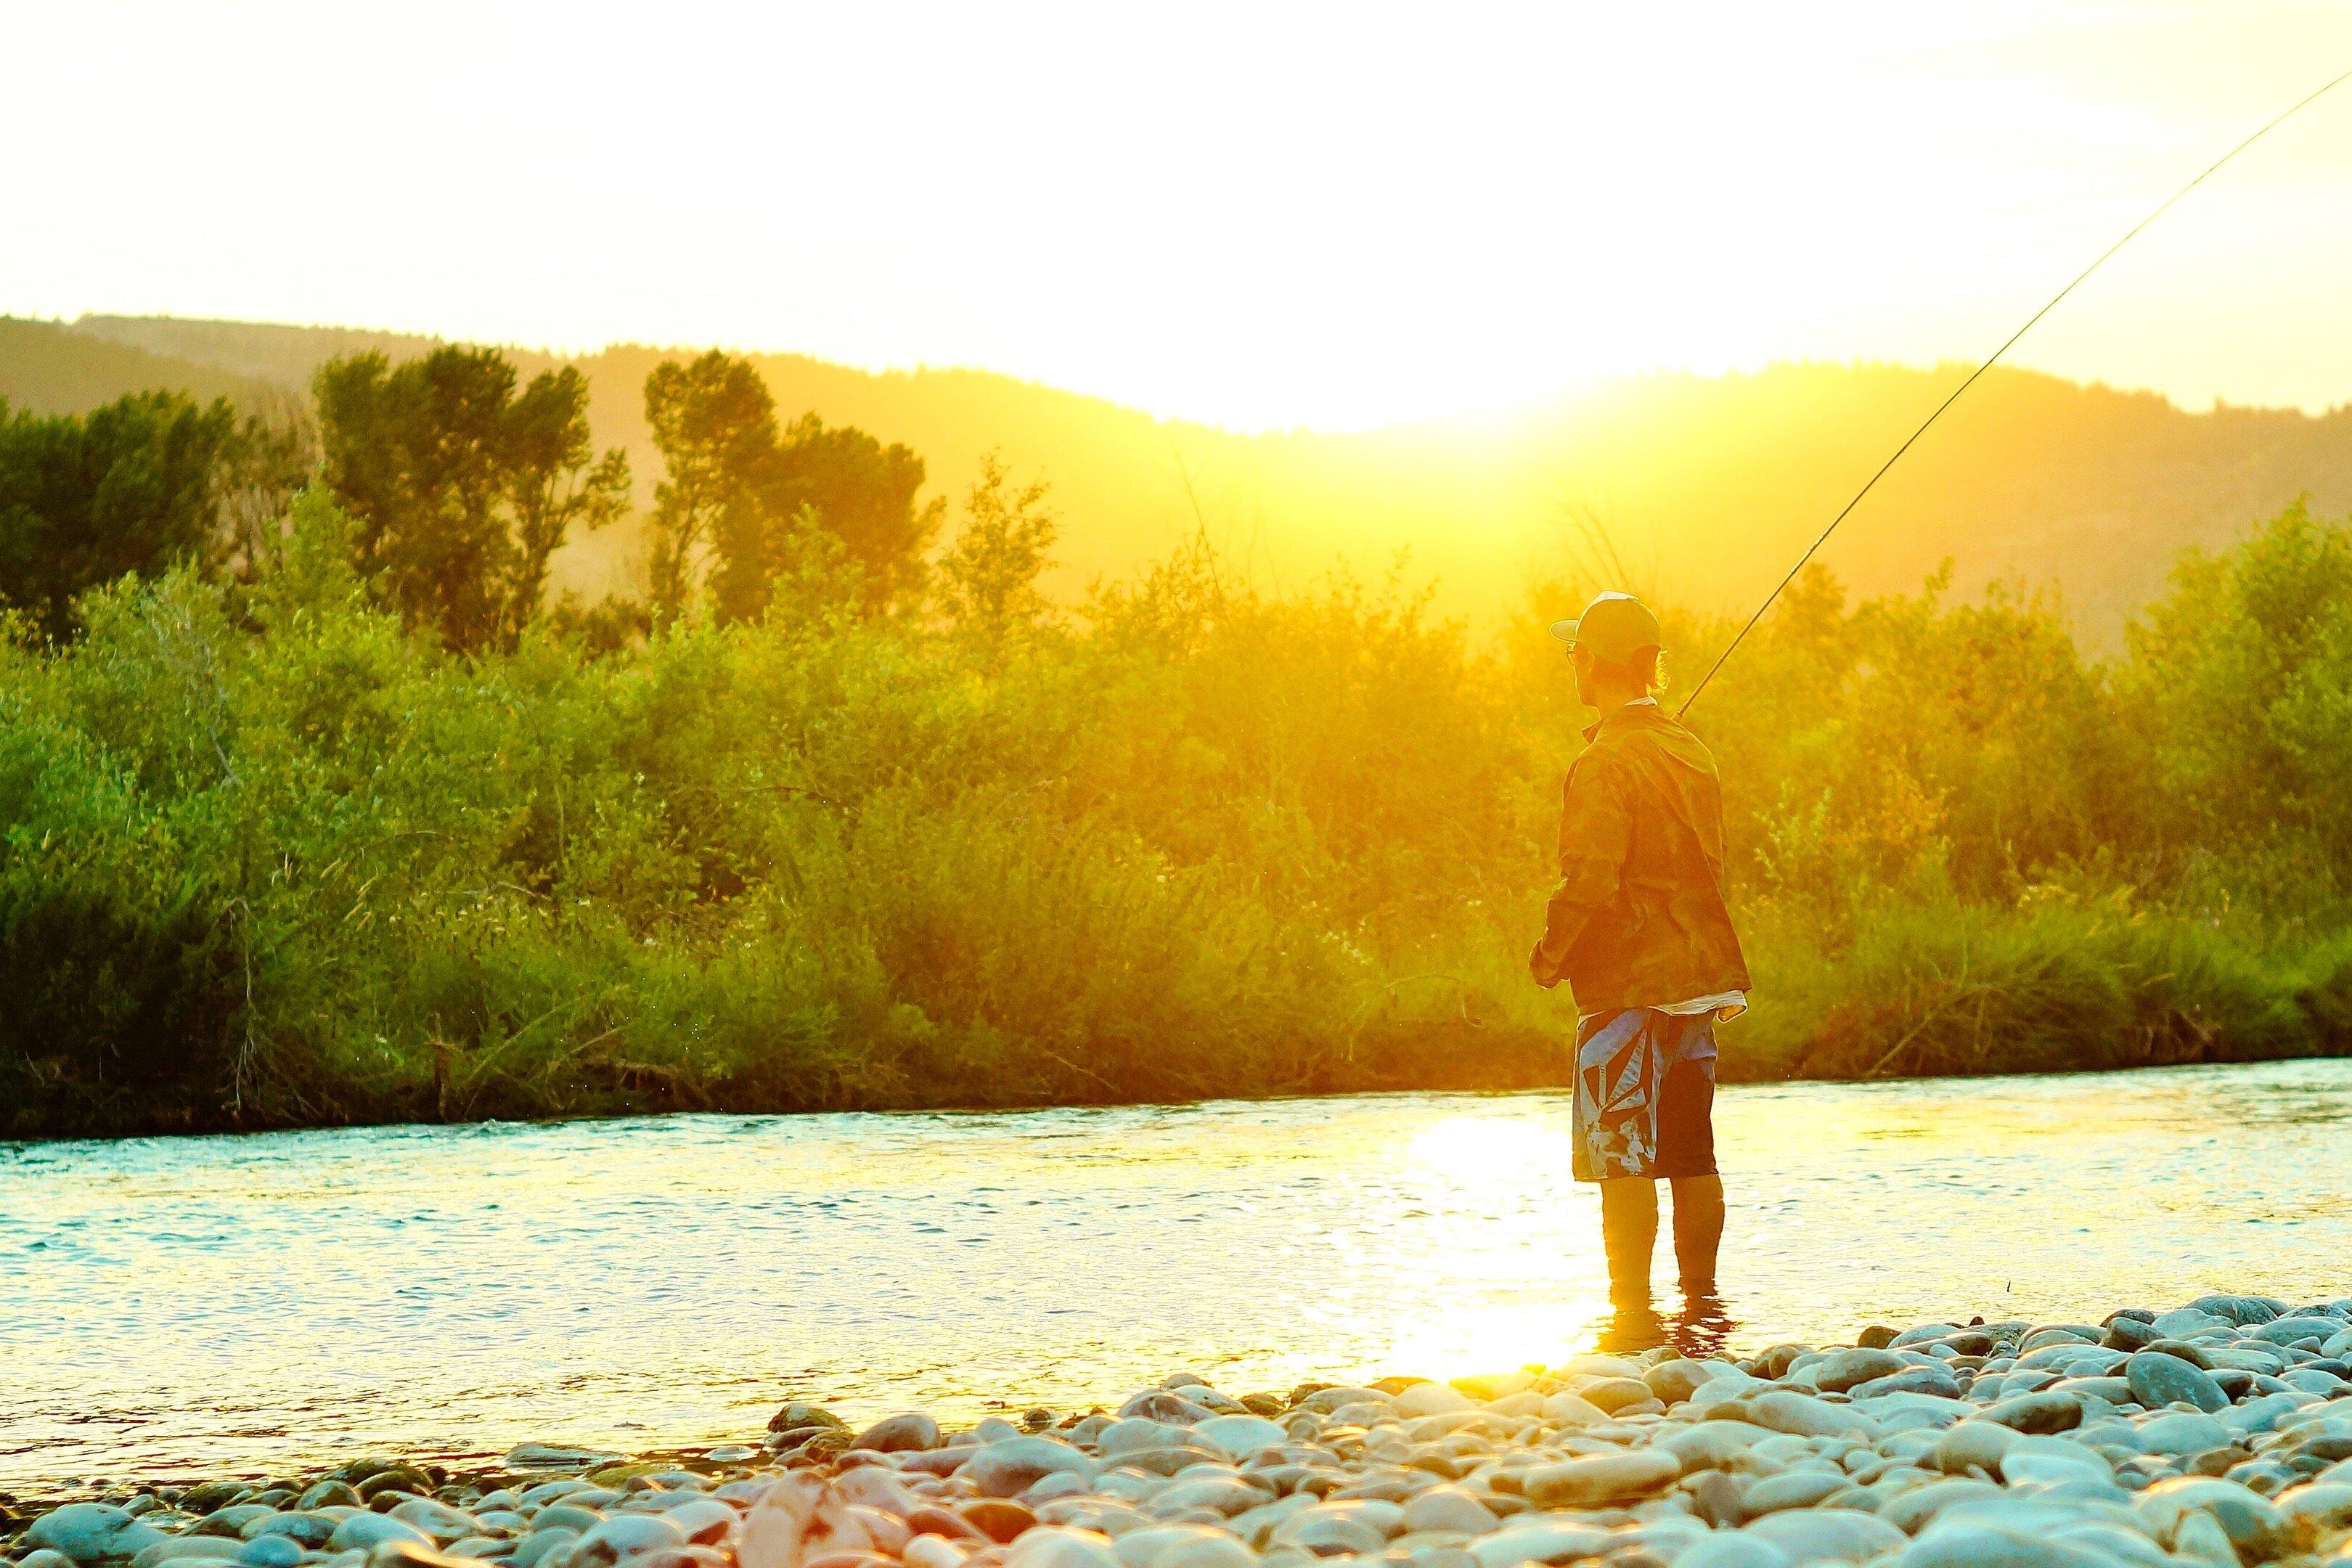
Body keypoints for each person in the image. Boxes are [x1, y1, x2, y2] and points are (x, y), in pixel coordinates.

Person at [1529, 591, 1751, 1317]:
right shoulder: (1694, 751)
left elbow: (1589, 876)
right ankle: (1703, 1308)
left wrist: (1550, 954)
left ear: (1592, 664)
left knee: (1621, 1155)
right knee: (1692, 1153)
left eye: (1574, 654)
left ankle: (1630, 1311)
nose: (1571, 665)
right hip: (1698, 981)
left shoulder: (1600, 764)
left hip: (1624, 987)